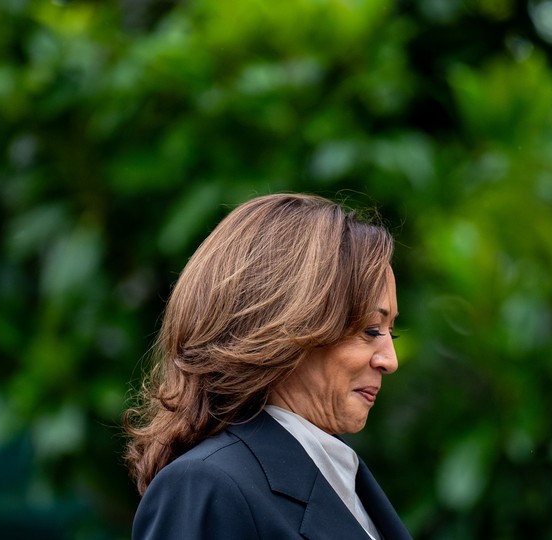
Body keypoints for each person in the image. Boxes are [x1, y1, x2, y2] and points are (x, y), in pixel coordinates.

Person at [125, 193, 412, 540]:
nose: (390, 361)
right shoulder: (206, 486)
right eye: (370, 330)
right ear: (288, 324)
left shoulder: (341, 479)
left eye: (389, 333)